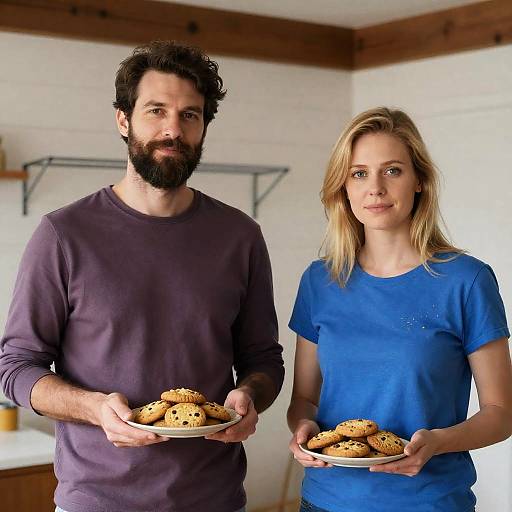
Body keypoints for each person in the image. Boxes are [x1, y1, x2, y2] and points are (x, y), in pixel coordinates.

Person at [0, 41, 284, 512]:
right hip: (95, 501)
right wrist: (93, 408)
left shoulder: (240, 236)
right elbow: (15, 368)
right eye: (156, 110)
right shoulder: (63, 235)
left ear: (203, 128)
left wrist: (250, 397)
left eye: (190, 115)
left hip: (215, 499)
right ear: (123, 119)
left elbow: (264, 359)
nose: (173, 129)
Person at [287, 107, 512, 512]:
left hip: (429, 502)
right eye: (358, 173)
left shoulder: (467, 281)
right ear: (344, 188)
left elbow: (500, 413)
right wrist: (301, 427)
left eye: (392, 170)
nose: (375, 188)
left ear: (420, 181)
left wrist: (438, 443)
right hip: (324, 501)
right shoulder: (319, 281)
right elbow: (304, 397)